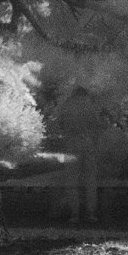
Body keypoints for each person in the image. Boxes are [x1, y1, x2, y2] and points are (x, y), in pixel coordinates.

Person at [55, 85, 110, 223]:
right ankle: (91, 214)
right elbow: (99, 126)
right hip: (88, 144)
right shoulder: (91, 106)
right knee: (90, 180)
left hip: (71, 146)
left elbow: (59, 124)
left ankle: (74, 214)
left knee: (71, 180)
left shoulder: (67, 106)